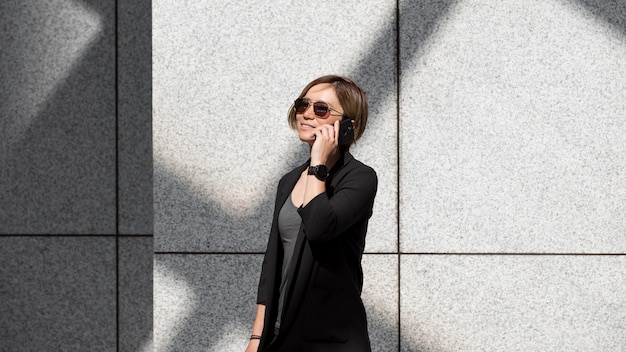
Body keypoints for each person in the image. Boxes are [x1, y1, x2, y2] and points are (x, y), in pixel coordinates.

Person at [245, 75, 378, 352]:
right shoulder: (289, 181)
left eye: (321, 109)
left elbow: (319, 228)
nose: (306, 113)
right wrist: (256, 338)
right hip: (282, 334)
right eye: (302, 104)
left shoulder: (360, 178)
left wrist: (318, 164)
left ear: (347, 125)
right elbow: (273, 264)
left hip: (330, 340)